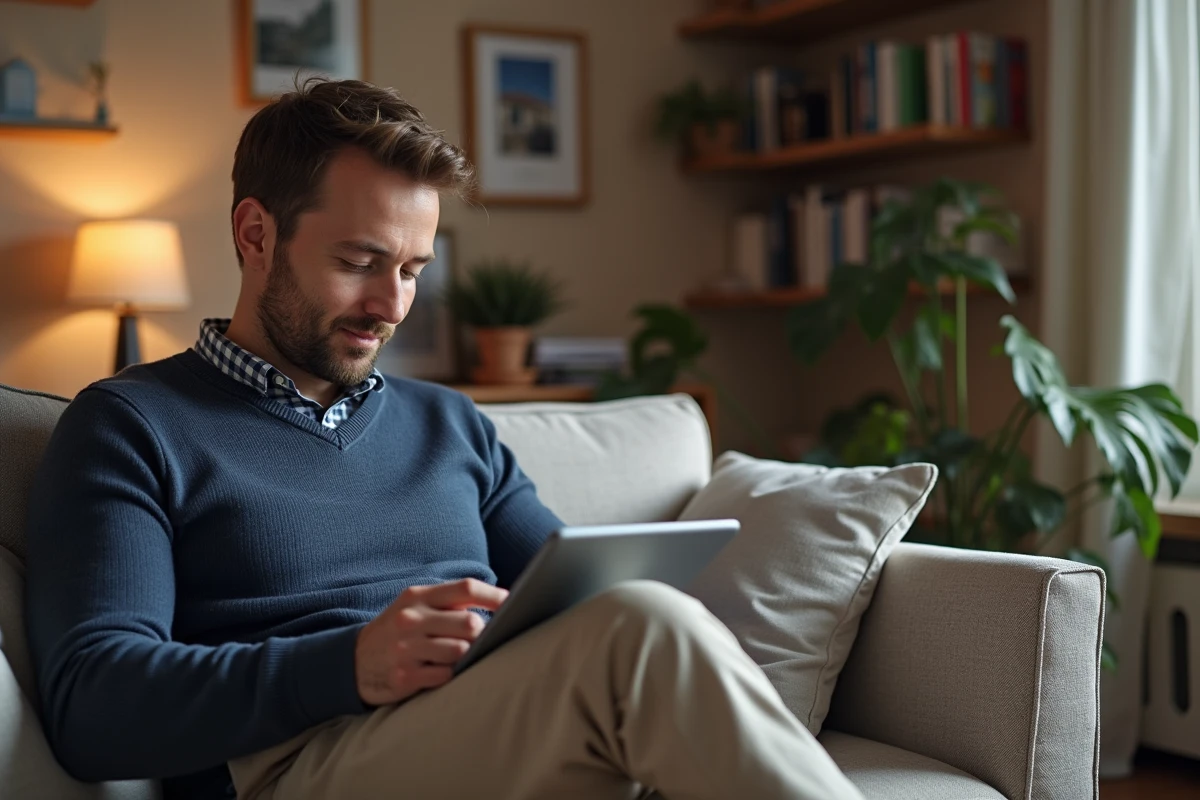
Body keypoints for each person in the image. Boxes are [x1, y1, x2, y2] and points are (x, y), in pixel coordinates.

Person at [24, 78, 863, 800]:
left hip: (482, 731)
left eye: (413, 271)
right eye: (359, 261)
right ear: (256, 235)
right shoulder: (132, 424)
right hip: (288, 764)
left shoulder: (449, 424)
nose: (391, 307)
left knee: (637, 612)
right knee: (637, 632)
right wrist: (350, 662)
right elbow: (92, 702)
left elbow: (574, 602)